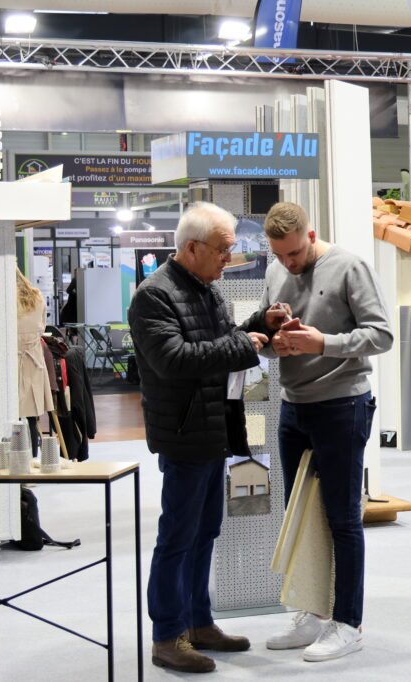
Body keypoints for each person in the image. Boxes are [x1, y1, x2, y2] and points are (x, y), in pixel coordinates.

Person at [128, 202, 291, 674]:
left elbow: (221, 339)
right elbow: (174, 359)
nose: (228, 258)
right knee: (178, 539)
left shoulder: (205, 288)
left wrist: (259, 325)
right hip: (184, 433)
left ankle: (199, 623)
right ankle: (167, 637)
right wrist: (243, 344)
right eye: (222, 249)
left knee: (204, 534)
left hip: (212, 427)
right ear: (192, 247)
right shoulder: (153, 296)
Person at [259, 202, 392, 662]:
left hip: (342, 405)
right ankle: (314, 613)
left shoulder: (350, 267)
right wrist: (276, 342)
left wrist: (323, 343)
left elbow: (382, 335)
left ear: (311, 236)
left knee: (343, 518)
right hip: (293, 406)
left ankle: (349, 624)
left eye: (295, 253)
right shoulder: (276, 271)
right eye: (280, 255)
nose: (288, 263)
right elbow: (268, 340)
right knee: (300, 515)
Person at [16, 269, 54, 459]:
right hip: (34, 363)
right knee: (31, 418)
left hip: (14, 363)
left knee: (13, 418)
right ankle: (31, 460)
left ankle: (17, 463)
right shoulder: (37, 296)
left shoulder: (6, 300)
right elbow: (42, 326)